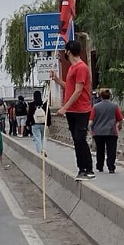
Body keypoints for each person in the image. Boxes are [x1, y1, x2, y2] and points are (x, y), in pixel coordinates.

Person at [50, 40, 95, 181]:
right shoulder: (71, 68)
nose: (64, 53)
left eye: (65, 50)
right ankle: (81, 169)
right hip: (72, 111)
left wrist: (64, 107)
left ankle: (88, 169)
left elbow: (78, 91)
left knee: (80, 138)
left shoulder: (81, 67)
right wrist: (57, 79)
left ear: (69, 51)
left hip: (81, 110)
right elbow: (68, 87)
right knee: (76, 140)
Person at [90, 89, 124, 174]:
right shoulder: (114, 106)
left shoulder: (96, 107)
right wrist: (120, 126)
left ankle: (100, 166)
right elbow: (120, 118)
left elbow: (91, 120)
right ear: (110, 96)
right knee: (111, 150)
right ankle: (111, 167)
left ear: (101, 96)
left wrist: (90, 130)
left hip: (98, 132)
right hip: (111, 131)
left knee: (100, 149)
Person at [29, 90, 49, 156]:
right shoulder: (44, 104)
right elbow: (48, 114)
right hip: (43, 123)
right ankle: (43, 150)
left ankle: (40, 152)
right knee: (43, 138)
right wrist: (48, 123)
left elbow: (29, 115)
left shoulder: (32, 105)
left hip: (35, 124)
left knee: (37, 138)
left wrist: (28, 123)